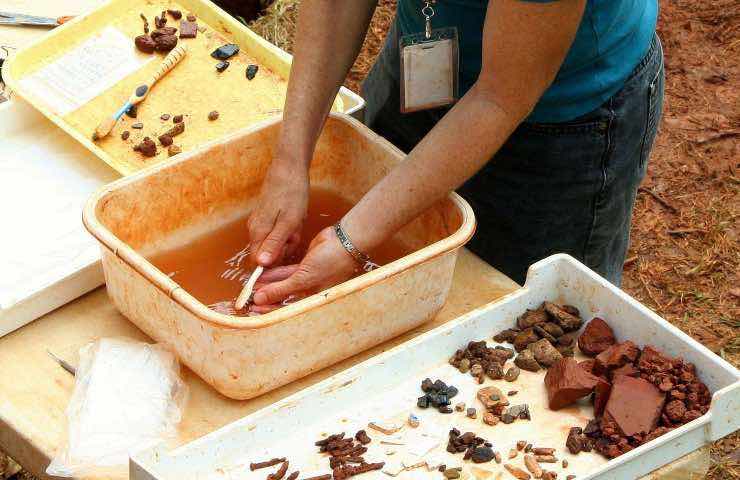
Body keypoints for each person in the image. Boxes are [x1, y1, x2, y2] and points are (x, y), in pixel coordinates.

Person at [247, 0, 664, 312]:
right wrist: (291, 159)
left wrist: (349, 241)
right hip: (429, 49)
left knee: (527, 321)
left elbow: (501, 98)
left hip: (561, 118)